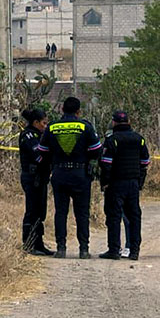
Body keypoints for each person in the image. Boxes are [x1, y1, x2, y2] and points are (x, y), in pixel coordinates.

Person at [36, 96, 102, 258]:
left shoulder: (52, 127)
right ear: (79, 111)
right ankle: (84, 250)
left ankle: (61, 248)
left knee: (61, 212)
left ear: (62, 110)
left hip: (59, 173)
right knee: (82, 213)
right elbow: (97, 150)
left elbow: (42, 151)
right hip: (80, 174)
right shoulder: (85, 127)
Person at [98, 110, 149, 261]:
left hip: (116, 183)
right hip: (133, 183)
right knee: (134, 217)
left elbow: (106, 164)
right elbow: (145, 162)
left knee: (113, 216)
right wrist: (140, 181)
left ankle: (114, 250)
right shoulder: (139, 139)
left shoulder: (112, 140)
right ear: (129, 122)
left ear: (114, 122)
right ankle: (134, 251)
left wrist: (105, 183)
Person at [18, 107, 55, 256]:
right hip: (32, 177)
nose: (45, 126)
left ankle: (39, 244)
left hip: (41, 178)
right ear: (35, 122)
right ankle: (28, 244)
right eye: (44, 123)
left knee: (41, 212)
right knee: (32, 211)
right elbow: (38, 156)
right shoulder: (28, 135)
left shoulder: (39, 135)